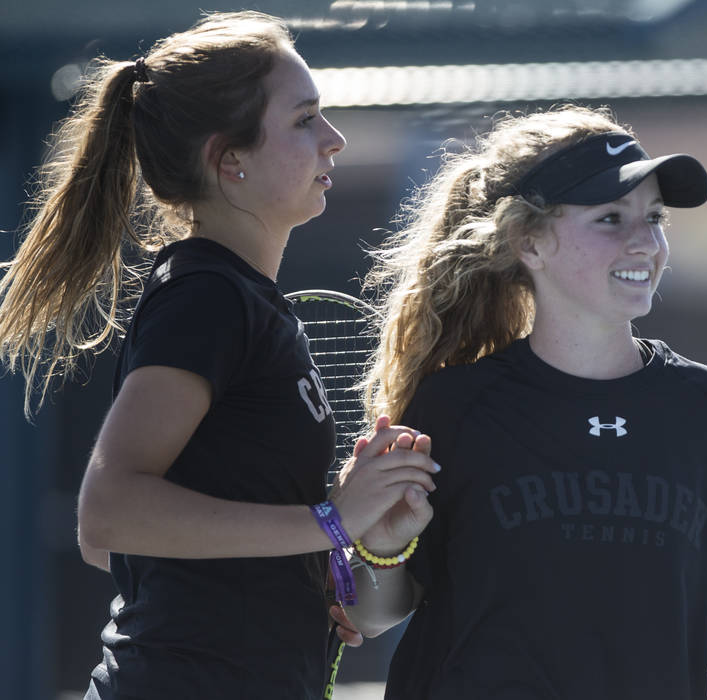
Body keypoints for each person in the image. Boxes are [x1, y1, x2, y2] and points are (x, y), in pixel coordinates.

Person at [0, 11, 438, 699]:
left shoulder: (246, 302)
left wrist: (359, 546)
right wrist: (328, 520)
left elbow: (119, 548)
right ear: (229, 160)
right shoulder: (207, 297)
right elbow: (106, 514)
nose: (334, 139)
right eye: (303, 120)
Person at [347, 105, 707, 699]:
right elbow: (372, 616)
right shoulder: (457, 406)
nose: (645, 242)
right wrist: (384, 546)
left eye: (654, 217)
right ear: (529, 243)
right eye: (609, 218)